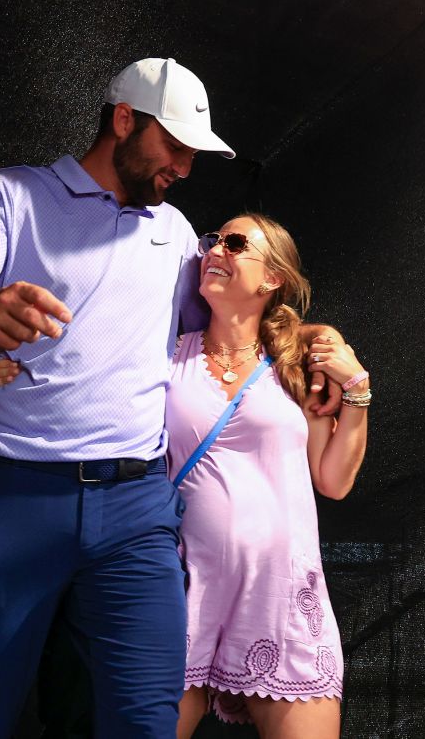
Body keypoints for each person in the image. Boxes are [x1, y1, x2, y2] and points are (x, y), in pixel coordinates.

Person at [0, 58, 342, 737]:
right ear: (124, 119)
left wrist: (309, 338)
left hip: (134, 507)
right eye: (173, 147)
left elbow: (238, 326)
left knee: (147, 717)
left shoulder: (175, 239)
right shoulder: (14, 196)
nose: (184, 168)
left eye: (193, 154)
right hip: (13, 494)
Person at [171, 215, 367, 737]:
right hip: (181, 587)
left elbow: (333, 481)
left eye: (235, 244)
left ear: (272, 277)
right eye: (211, 241)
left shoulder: (294, 366)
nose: (215, 250)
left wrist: (358, 394)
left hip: (279, 594)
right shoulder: (164, 360)